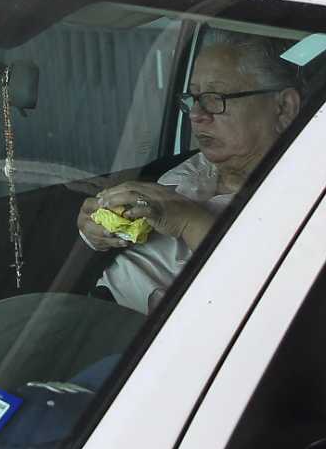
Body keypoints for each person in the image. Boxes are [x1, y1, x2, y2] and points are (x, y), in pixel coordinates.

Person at [77, 34, 302, 312]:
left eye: (215, 98)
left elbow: (273, 300)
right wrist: (98, 231)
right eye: (194, 98)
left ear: (283, 107)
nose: (196, 114)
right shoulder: (180, 167)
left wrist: (188, 221)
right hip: (89, 314)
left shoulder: (313, 192)